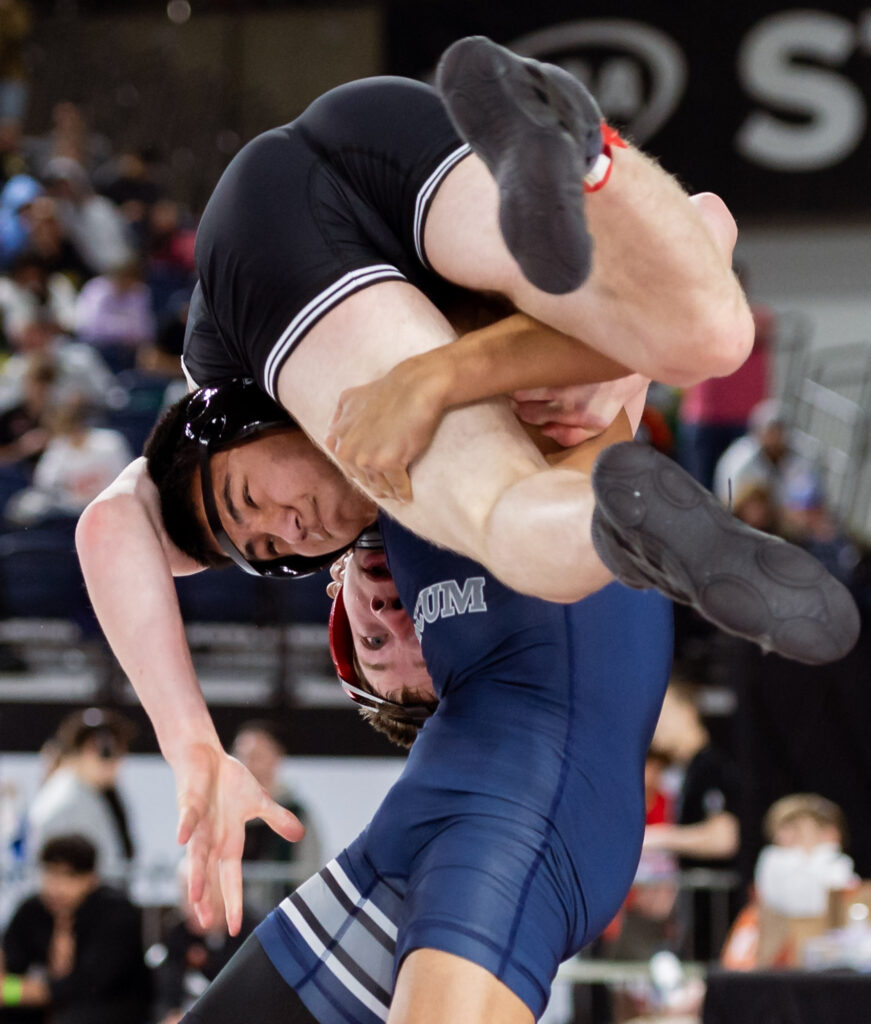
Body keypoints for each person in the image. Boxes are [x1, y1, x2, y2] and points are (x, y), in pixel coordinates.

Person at [75, 33, 858, 935]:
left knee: (502, 519)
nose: (288, 528)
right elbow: (709, 220)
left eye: (254, 506)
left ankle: (586, 451)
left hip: (291, 246)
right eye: (276, 552)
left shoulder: (235, 370)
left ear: (229, 425)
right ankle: (585, 157)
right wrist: (621, 364)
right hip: (416, 152)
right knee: (712, 336)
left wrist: (190, 746)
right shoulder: (415, 500)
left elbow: (111, 524)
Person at [179, 505, 674, 1024]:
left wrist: (191, 741)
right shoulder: (493, 585)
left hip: (512, 820)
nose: (394, 617)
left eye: (372, 642)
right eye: (424, 640)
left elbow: (134, 515)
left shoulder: (339, 503)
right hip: (514, 812)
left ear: (338, 594)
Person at [0, 834, 151, 1024]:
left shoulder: (115, 913)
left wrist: (16, 992)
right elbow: (11, 961)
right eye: (50, 873)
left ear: (91, 878)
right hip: (49, 1007)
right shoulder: (32, 910)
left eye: (68, 876)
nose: (56, 886)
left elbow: (88, 984)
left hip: (111, 1007)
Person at [643, 682, 742, 961]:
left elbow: (725, 837)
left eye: (661, 713)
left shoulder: (712, 765)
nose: (654, 723)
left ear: (687, 712)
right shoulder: (688, 771)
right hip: (697, 920)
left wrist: (657, 837)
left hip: (721, 921)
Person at [25, 708, 137, 886]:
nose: (121, 761)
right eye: (112, 751)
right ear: (91, 749)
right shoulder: (67, 801)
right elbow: (61, 878)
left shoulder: (87, 792)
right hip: (85, 908)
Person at [151, 855, 258, 1024]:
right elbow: (167, 991)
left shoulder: (252, 932)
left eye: (203, 891)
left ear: (226, 891)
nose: (192, 902)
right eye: (185, 892)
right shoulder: (177, 931)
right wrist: (170, 1016)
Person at [230, 720, 322, 909]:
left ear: (276, 757)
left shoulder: (296, 814)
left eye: (256, 756)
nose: (247, 764)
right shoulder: (220, 812)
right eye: (241, 756)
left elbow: (309, 874)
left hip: (279, 919)